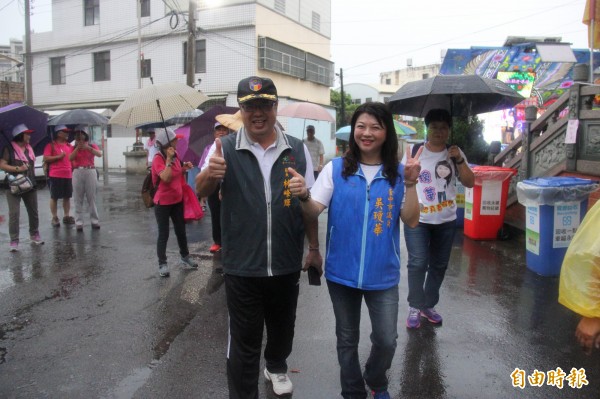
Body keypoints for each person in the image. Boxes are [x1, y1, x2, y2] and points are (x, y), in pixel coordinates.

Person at [195, 76, 322, 399]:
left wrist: (314, 247)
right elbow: (200, 189)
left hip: (284, 262)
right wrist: (211, 174)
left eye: (265, 104)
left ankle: (277, 366)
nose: (258, 113)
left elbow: (309, 208)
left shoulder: (297, 149)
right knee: (243, 344)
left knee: (282, 330)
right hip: (242, 266)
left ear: (275, 107)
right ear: (241, 110)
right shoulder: (224, 146)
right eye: (250, 106)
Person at [288, 102, 421, 399]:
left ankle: (376, 377)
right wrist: (303, 195)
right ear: (353, 132)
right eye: (361, 126)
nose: (367, 133)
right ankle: (352, 391)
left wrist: (410, 184)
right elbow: (313, 211)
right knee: (346, 338)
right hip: (341, 273)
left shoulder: (399, 174)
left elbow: (412, 220)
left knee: (387, 339)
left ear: (387, 132)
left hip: (383, 274)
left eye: (375, 127)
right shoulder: (336, 169)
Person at [403, 108, 475, 329]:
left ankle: (428, 305)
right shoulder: (415, 151)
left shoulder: (454, 153)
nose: (438, 131)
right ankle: (415, 306)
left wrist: (460, 159)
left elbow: (470, 182)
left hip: (446, 220)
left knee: (439, 265)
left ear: (448, 130)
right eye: (434, 126)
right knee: (417, 263)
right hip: (418, 218)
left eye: (443, 127)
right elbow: (400, 179)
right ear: (427, 128)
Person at [151, 127, 199, 277]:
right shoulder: (158, 159)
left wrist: (185, 168)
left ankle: (185, 257)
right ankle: (162, 263)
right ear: (168, 143)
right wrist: (169, 160)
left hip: (177, 200)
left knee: (181, 230)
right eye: (174, 139)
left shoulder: (176, 155)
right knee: (163, 233)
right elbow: (165, 178)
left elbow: (177, 173)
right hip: (163, 202)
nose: (177, 140)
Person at [0, 124, 44, 251]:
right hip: (13, 185)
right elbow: (2, 165)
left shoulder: (29, 149)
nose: (29, 136)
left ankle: (34, 234)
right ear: (20, 135)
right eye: (27, 134)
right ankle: (14, 240)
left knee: (33, 211)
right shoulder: (8, 149)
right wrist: (18, 168)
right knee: (14, 213)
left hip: (29, 183)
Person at [198, 121, 230, 253]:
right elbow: (204, 167)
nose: (221, 132)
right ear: (214, 133)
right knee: (216, 214)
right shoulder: (210, 148)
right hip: (214, 184)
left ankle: (230, 241)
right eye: (218, 130)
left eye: (224, 129)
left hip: (229, 184)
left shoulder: (232, 145)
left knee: (229, 214)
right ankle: (218, 241)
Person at [69, 125, 102, 231]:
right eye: (77, 136)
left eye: (81, 135)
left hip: (90, 170)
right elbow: (70, 158)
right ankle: (78, 222)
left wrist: (88, 148)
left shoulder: (92, 145)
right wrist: (77, 148)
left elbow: (99, 154)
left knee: (91, 197)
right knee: (78, 199)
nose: (79, 138)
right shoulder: (73, 147)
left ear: (86, 136)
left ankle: (94, 220)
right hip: (77, 171)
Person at [43, 124, 75, 228]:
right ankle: (55, 217)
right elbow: (46, 158)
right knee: (54, 197)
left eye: (67, 132)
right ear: (59, 133)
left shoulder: (69, 146)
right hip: (55, 174)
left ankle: (66, 216)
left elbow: (72, 158)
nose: (67, 134)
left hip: (68, 174)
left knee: (67, 196)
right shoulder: (51, 145)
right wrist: (58, 156)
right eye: (65, 132)